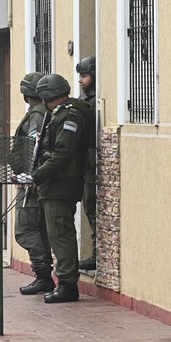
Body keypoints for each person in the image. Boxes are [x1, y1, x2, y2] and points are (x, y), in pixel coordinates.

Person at [32, 73, 91, 304]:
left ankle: (67, 284)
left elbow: (63, 153)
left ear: (47, 96)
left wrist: (37, 175)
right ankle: (65, 281)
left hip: (61, 184)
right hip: (54, 184)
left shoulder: (70, 115)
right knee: (57, 233)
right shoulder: (58, 114)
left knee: (61, 233)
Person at [9, 72, 54, 295]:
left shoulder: (37, 116)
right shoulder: (39, 113)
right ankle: (44, 274)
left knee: (25, 229)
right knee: (37, 229)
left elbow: (37, 147)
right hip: (31, 179)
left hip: (31, 183)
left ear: (27, 94)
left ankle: (43, 274)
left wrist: (32, 176)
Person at [76, 56, 97, 271]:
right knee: (88, 204)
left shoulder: (93, 101)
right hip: (85, 160)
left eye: (85, 76)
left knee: (91, 204)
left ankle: (97, 252)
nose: (81, 80)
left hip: (93, 160)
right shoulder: (84, 99)